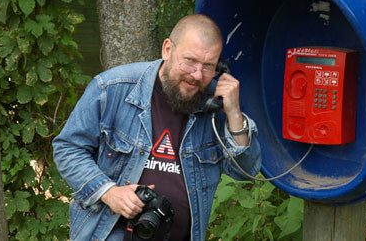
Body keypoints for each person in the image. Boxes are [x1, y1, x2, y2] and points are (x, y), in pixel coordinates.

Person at [52, 14, 262, 241]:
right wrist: (109, 192)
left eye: (208, 66)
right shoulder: (112, 89)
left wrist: (233, 113)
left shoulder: (214, 106)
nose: (197, 75)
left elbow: (246, 171)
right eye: (189, 61)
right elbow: (68, 148)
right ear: (167, 49)